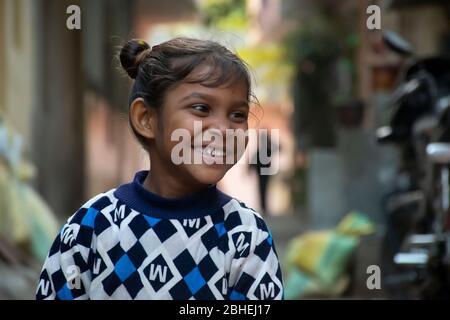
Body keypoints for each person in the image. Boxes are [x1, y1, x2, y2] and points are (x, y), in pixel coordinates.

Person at [35, 37, 283, 300]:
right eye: (201, 108)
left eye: (237, 115)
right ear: (146, 119)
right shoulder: (91, 227)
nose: (224, 130)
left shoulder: (245, 234)